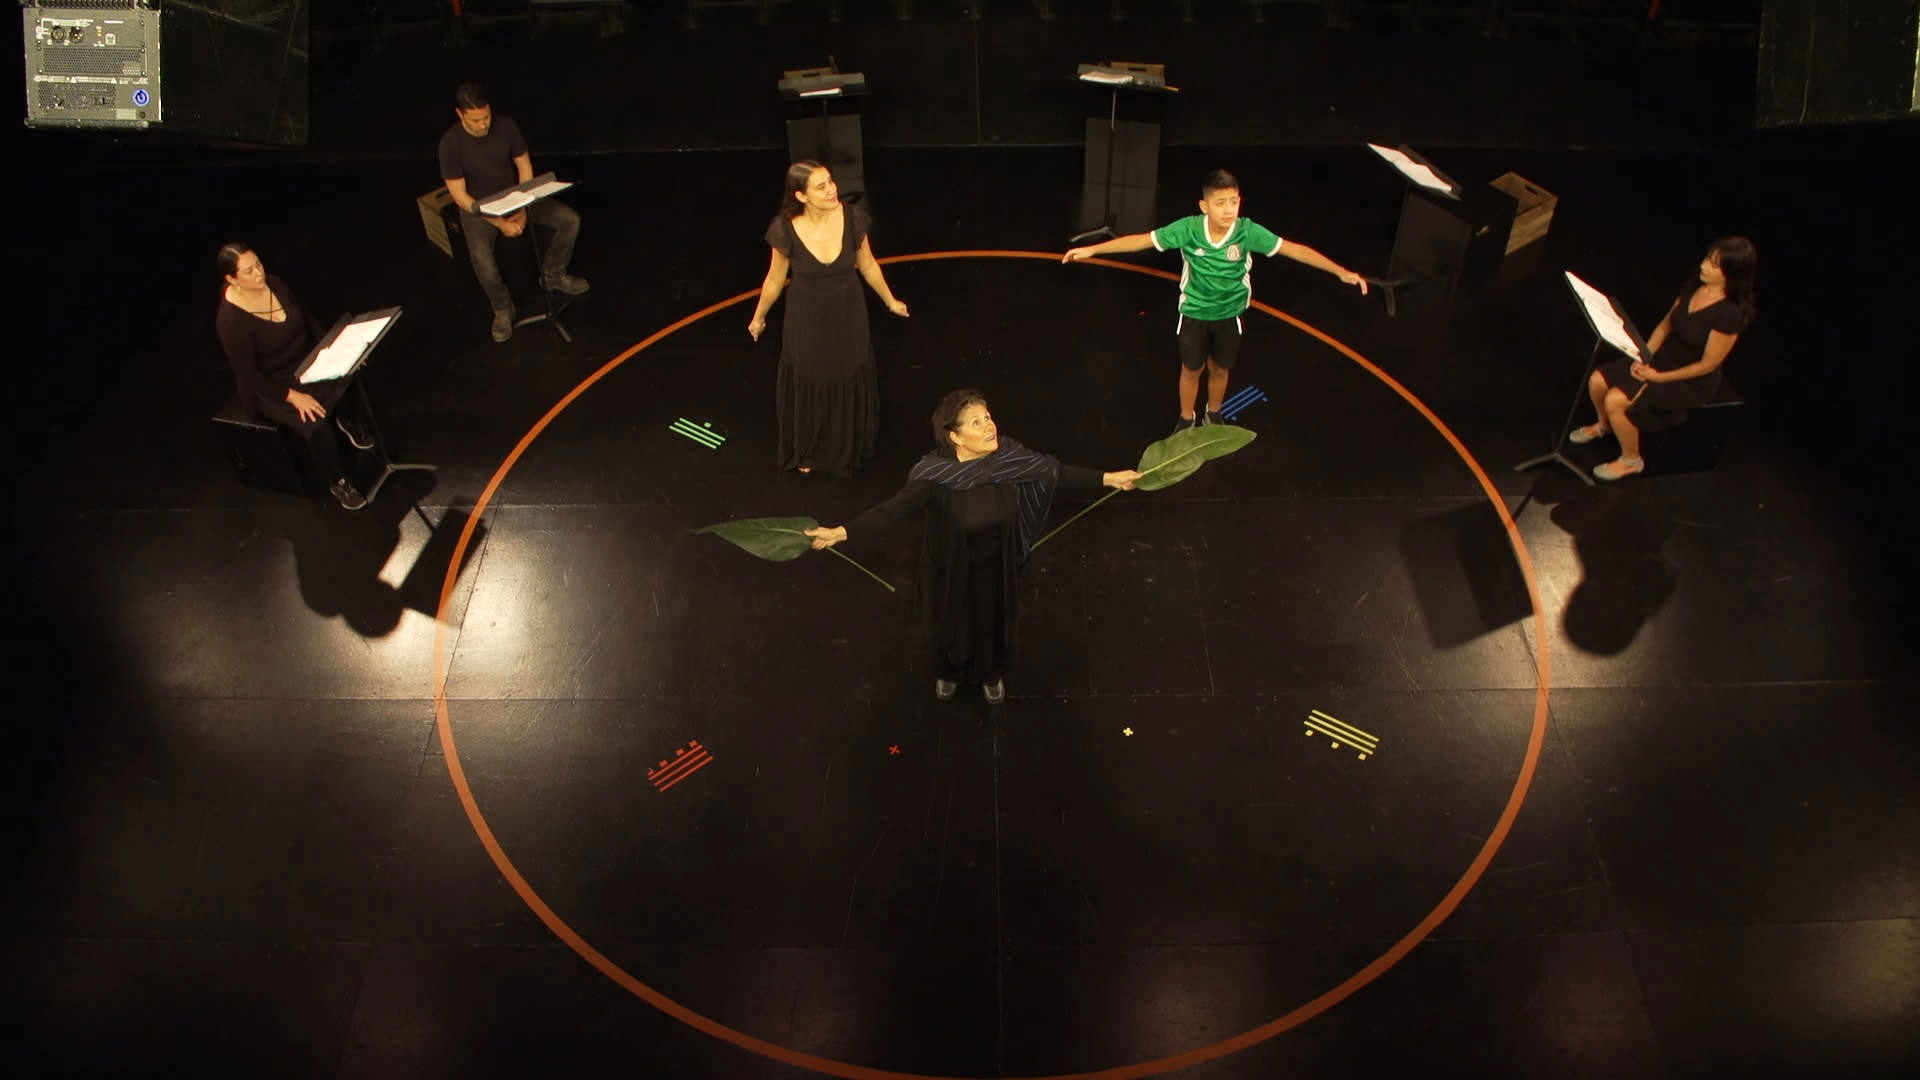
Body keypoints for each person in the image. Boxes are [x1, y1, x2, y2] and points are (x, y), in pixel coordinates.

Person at [804, 390, 1141, 704]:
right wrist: (841, 532)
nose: (989, 426)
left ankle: (990, 673)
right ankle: (950, 672)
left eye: (988, 417)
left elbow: (1055, 472)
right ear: (955, 436)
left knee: (993, 624)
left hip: (997, 566)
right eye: (976, 422)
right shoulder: (935, 476)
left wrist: (1109, 478)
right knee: (952, 623)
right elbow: (890, 511)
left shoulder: (1010, 459)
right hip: (951, 568)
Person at [1063, 168, 1369, 433]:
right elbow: (1144, 239)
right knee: (1190, 370)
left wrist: (1339, 271)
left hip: (1229, 315)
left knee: (1221, 369)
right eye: (1220, 203)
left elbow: (1294, 250)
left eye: (1233, 202)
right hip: (1194, 313)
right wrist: (1094, 250)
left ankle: (1214, 413)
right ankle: (1186, 419)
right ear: (1204, 205)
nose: (1228, 210)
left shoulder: (1247, 232)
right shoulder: (1188, 229)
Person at [747, 160, 910, 476]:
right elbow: (774, 279)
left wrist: (890, 301)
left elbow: (869, 265)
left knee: (848, 370)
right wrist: (759, 317)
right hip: (806, 316)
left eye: (831, 182)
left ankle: (849, 445)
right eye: (821, 186)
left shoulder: (853, 218)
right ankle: (810, 449)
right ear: (801, 196)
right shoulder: (784, 229)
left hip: (848, 310)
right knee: (812, 374)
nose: (832, 189)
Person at [1571, 236, 1757, 481]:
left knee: (1616, 400)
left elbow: (1708, 364)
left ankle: (1631, 460)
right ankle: (1603, 425)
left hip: (1690, 379)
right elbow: (1665, 325)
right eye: (1706, 259)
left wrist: (1659, 377)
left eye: (1713, 265)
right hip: (1662, 360)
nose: (1703, 266)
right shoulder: (1693, 287)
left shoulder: (1730, 313)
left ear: (1730, 274)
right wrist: (1643, 355)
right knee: (1597, 380)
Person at [214, 243, 372, 510]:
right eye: (249, 271)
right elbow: (248, 373)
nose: (259, 273)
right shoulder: (230, 321)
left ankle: (346, 419)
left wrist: (332, 345)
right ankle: (339, 481)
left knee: (350, 370)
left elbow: (306, 318)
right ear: (232, 279)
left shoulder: (274, 282)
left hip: (304, 359)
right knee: (315, 421)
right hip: (273, 384)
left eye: (259, 265)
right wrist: (292, 396)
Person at [436, 81, 588, 343]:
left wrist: (523, 207)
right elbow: (460, 196)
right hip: (480, 209)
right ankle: (502, 308)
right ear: (460, 114)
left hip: (517, 197)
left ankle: (552, 275)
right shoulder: (450, 144)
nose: (483, 124)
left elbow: (524, 165)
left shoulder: (507, 127)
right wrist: (498, 222)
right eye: (475, 121)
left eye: (486, 117)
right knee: (481, 257)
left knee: (569, 220)